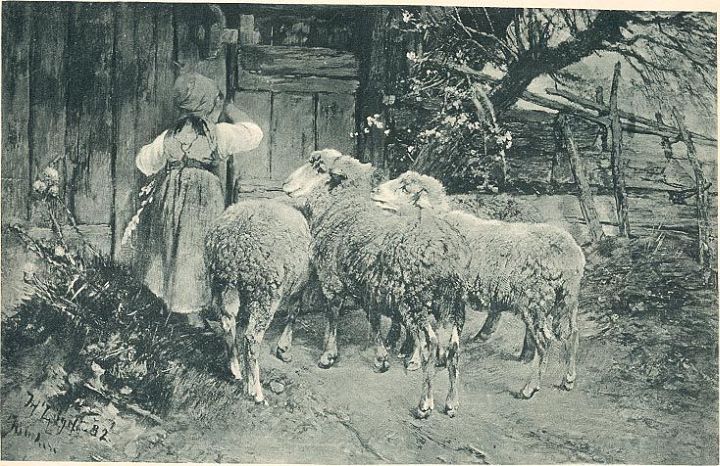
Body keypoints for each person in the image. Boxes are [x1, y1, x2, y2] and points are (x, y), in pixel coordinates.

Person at [134, 71, 263, 325]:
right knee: (198, 252)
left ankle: (177, 309)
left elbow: (144, 162)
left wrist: (175, 168)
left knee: (174, 248)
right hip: (203, 199)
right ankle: (193, 315)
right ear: (208, 105)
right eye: (215, 103)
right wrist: (230, 108)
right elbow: (254, 134)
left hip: (171, 198)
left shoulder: (169, 135)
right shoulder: (220, 133)